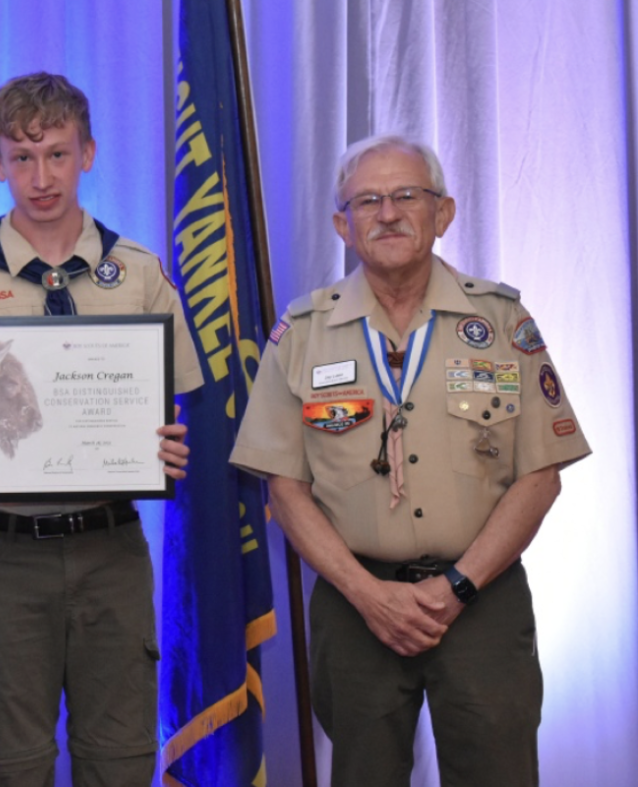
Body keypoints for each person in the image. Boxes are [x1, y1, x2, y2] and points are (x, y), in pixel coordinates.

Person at [231, 134, 591, 786]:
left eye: (406, 196)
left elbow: (540, 475)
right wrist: (370, 595)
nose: (388, 213)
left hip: (483, 599)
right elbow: (284, 490)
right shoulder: (304, 333)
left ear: (443, 213)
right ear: (343, 224)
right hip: (354, 601)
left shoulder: (502, 320)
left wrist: (457, 587)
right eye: (367, 200)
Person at [0, 73, 204, 785]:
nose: (40, 177)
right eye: (21, 157)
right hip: (8, 556)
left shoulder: (136, 274)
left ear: (88, 154)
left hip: (110, 549)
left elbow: (179, 405)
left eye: (56, 154)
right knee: (15, 765)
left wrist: (170, 445)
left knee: (119, 761)